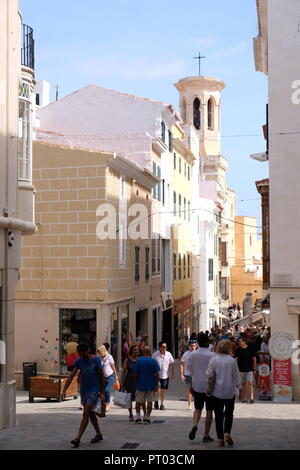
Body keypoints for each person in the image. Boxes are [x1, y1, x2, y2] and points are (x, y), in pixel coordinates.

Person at [61, 342, 106, 448]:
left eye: (83, 354)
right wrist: (64, 390)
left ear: (87, 351)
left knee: (86, 412)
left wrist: (103, 392)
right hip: (84, 391)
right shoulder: (79, 361)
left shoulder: (95, 360)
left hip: (94, 390)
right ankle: (99, 434)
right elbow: (72, 375)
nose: (82, 356)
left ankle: (77, 438)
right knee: (90, 414)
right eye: (80, 354)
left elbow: (102, 376)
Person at [206, 339, 240, 447]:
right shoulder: (232, 361)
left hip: (217, 392)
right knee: (229, 414)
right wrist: (239, 388)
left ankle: (220, 439)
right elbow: (236, 377)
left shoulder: (214, 360)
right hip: (230, 392)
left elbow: (208, 374)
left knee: (219, 416)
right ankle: (227, 433)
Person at [188, 333, 216, 443]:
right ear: (207, 343)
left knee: (197, 409)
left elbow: (189, 372)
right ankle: (206, 434)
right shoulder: (212, 355)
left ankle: (195, 425)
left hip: (197, 385)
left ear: (198, 342)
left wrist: (190, 386)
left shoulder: (192, 355)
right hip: (209, 387)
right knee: (209, 411)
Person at [132, 346, 160, 424]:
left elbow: (134, 373)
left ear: (143, 352)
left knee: (138, 401)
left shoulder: (139, 361)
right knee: (150, 402)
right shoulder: (153, 361)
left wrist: (136, 380)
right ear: (150, 352)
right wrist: (157, 384)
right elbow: (157, 374)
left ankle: (137, 417)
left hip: (140, 384)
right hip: (151, 385)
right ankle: (147, 417)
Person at [97, 344, 119, 415]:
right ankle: (103, 404)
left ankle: (108, 404)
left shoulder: (109, 357)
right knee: (102, 391)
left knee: (106, 390)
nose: (98, 353)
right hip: (103, 377)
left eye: (99, 352)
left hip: (110, 376)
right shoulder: (99, 358)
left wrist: (116, 378)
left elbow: (113, 367)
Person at [152, 341, 175, 410]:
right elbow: (152, 365)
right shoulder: (155, 355)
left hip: (165, 375)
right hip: (156, 376)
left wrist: (172, 374)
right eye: (164, 347)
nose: (165, 348)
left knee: (163, 390)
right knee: (157, 390)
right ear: (160, 347)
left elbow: (171, 364)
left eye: (166, 347)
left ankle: (162, 404)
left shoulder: (168, 354)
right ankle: (156, 400)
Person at [120, 344, 139, 422]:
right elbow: (123, 372)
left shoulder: (140, 359)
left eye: (137, 350)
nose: (136, 351)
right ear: (131, 351)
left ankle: (138, 414)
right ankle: (130, 414)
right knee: (129, 399)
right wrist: (121, 383)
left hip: (138, 382)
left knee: (138, 399)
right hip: (129, 381)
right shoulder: (127, 360)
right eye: (134, 350)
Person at [235, 337, 256, 403]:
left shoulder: (250, 349)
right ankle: (245, 397)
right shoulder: (238, 350)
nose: (239, 343)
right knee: (243, 384)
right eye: (238, 341)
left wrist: (254, 368)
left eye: (240, 341)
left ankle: (252, 397)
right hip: (241, 369)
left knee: (250, 383)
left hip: (249, 369)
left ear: (244, 342)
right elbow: (236, 359)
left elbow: (254, 359)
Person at [179, 340, 197, 410]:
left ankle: (196, 404)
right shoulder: (186, 354)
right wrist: (181, 374)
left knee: (196, 390)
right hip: (188, 374)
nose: (193, 347)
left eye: (194, 346)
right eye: (191, 346)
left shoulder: (198, 354)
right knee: (189, 390)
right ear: (189, 346)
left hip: (196, 375)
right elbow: (181, 364)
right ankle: (189, 405)